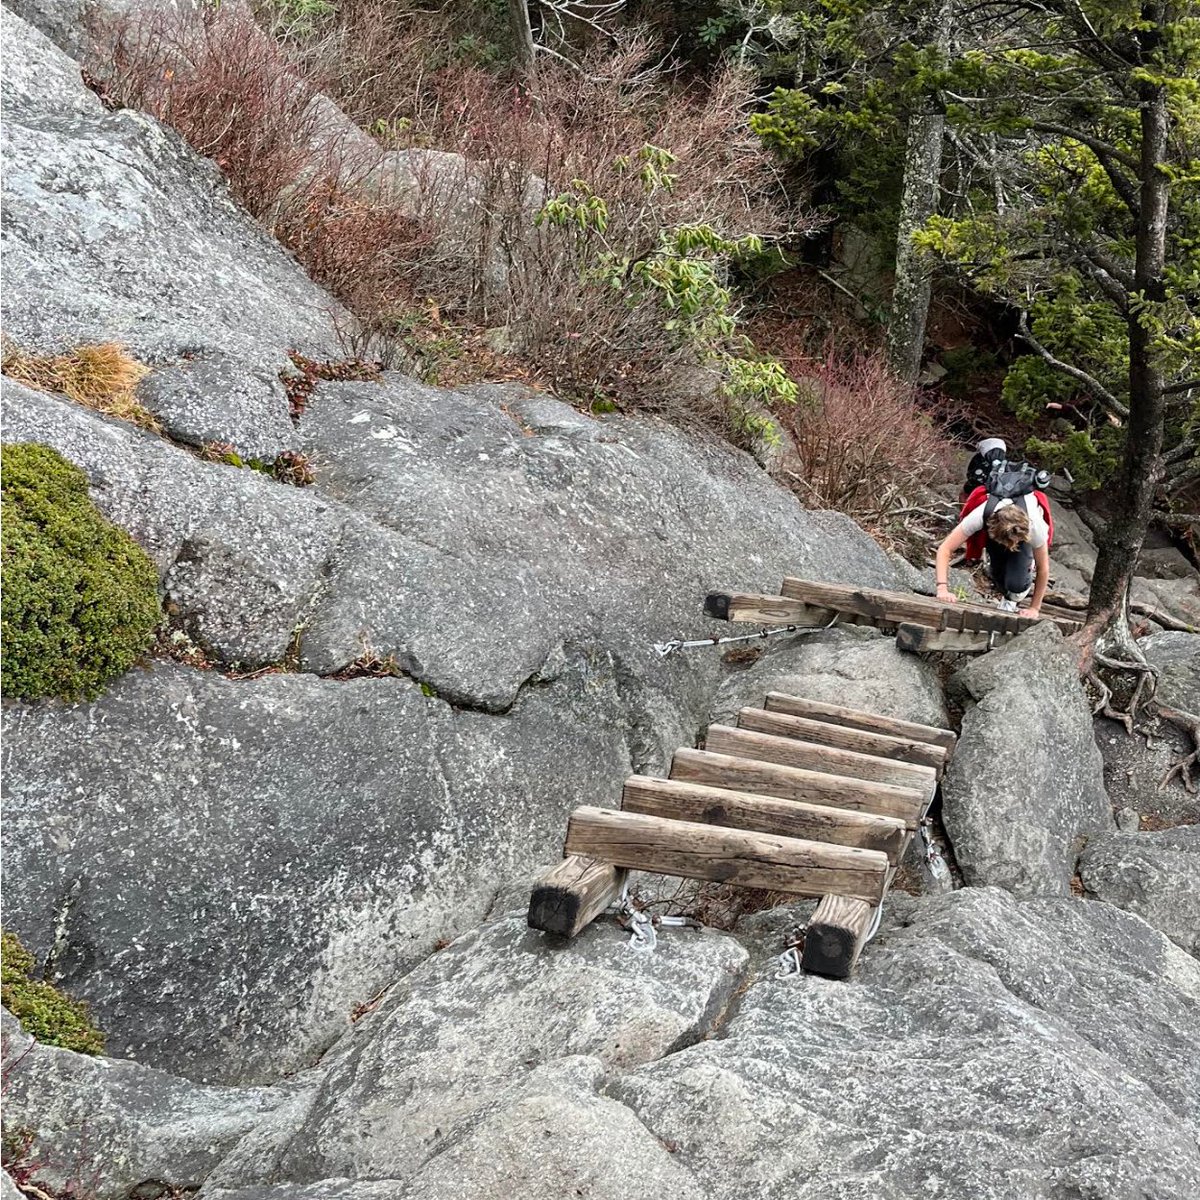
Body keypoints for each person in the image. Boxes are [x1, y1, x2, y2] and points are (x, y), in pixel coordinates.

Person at [935, 490, 1052, 618]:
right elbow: (945, 548)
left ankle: (1017, 589)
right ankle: (1005, 593)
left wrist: (1034, 608)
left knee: (1016, 584)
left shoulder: (1035, 527)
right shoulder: (980, 515)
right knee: (996, 573)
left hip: (1023, 538)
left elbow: (1043, 568)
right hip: (996, 533)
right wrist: (942, 588)